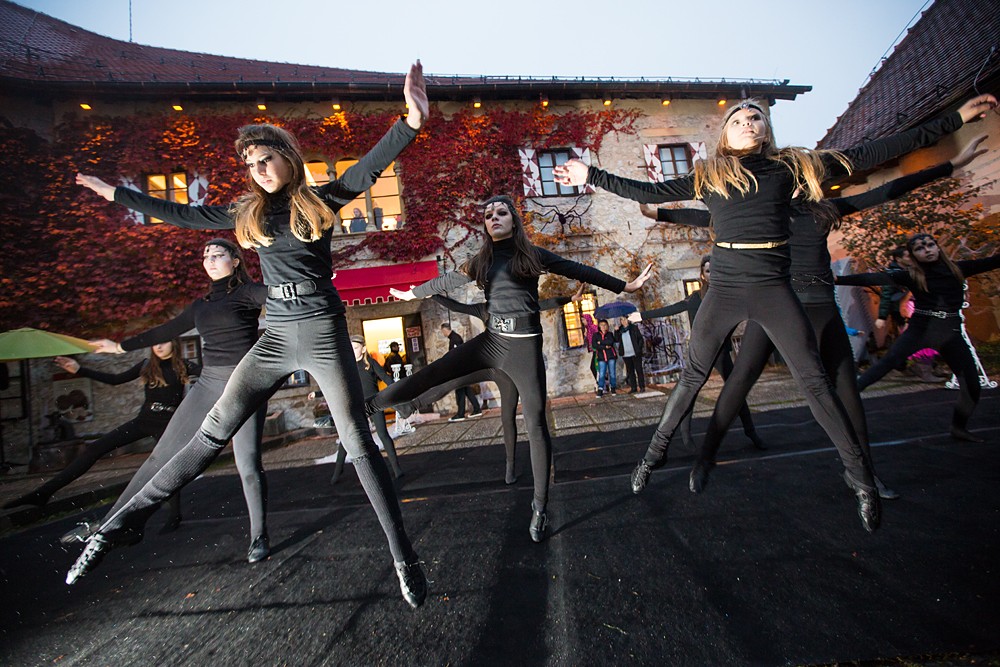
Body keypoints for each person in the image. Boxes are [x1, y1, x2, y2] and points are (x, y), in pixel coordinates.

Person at [65, 62, 430, 608]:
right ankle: (119, 527)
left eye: (266, 160)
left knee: (358, 441)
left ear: (287, 157)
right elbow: (180, 213)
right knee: (211, 431)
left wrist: (411, 121)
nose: (259, 171)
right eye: (251, 165)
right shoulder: (247, 214)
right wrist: (116, 194)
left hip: (321, 330)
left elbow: (371, 166)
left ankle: (404, 557)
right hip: (275, 334)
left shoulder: (321, 199)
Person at [554, 93, 996, 533]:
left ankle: (862, 479)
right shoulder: (711, 175)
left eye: (756, 117)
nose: (748, 121)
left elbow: (871, 155)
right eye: (738, 119)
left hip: (773, 290)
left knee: (815, 383)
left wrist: (954, 120)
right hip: (726, 289)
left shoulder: (791, 168)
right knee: (693, 375)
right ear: (724, 135)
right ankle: (653, 457)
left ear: (767, 130)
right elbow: (649, 191)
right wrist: (590, 174)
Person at [651, 136, 988, 499]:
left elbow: (886, 191)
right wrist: (659, 213)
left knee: (847, 394)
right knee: (739, 381)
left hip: (824, 309)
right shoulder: (765, 211)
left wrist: (949, 166)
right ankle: (705, 459)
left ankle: (865, 474)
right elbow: (702, 217)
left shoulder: (824, 211)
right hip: (781, 306)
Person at [367, 195, 652, 542]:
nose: (494, 217)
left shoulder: (533, 255)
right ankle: (369, 406)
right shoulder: (481, 261)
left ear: (513, 220)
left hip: (523, 349)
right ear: (485, 225)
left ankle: (540, 507)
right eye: (488, 215)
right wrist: (412, 293)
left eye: (501, 212)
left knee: (536, 424)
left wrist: (625, 286)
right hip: (492, 340)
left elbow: (579, 270)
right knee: (435, 371)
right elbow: (446, 282)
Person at [56, 238, 272, 563]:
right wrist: (119, 347)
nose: (210, 260)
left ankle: (259, 536)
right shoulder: (200, 306)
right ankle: (111, 523)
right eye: (206, 256)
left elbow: (280, 294)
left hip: (245, 384)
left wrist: (310, 283)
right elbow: (164, 330)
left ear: (236, 261)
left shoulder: (247, 293)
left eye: (218, 255)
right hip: (209, 384)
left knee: (248, 463)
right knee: (160, 456)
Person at [837, 232, 1000, 443]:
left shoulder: (958, 269)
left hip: (950, 334)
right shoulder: (912, 275)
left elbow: (992, 261)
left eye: (930, 245)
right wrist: (838, 279)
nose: (927, 250)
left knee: (972, 385)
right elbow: (875, 278)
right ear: (913, 255)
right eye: (920, 248)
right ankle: (842, 402)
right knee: (888, 363)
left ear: (937, 247)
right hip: (920, 331)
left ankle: (958, 428)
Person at [3, 342, 198, 518]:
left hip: (168, 423)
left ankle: (174, 515)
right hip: (144, 420)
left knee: (166, 465)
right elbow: (114, 379)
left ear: (173, 343)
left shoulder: (184, 366)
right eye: (155, 343)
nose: (159, 346)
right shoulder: (146, 365)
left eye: (164, 342)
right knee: (94, 448)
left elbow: (213, 376)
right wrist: (79, 369)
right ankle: (43, 493)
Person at [628, 254, 765, 451]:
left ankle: (751, 433)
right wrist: (642, 316)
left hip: (721, 351)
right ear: (702, 275)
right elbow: (672, 309)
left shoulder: (727, 297)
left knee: (737, 391)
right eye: (708, 271)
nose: (712, 274)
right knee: (690, 393)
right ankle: (686, 438)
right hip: (701, 352)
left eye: (715, 270)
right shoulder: (696, 298)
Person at [328, 334, 404, 483]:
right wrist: (317, 393)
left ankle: (396, 468)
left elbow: (385, 378)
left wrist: (398, 388)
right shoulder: (347, 365)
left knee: (383, 434)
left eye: (355, 348)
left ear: (363, 349)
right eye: (350, 348)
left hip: (374, 402)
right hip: (356, 404)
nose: (352, 351)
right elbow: (335, 384)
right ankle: (338, 470)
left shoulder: (371, 363)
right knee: (346, 437)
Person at [440, 322, 482, 422]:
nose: (443, 333)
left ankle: (460, 413)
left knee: (460, 391)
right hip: (461, 369)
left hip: (459, 369)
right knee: (466, 390)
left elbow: (458, 355)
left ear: (445, 330)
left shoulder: (455, 339)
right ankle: (477, 409)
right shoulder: (454, 338)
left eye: (442, 331)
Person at [616, 315, 645, 393]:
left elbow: (640, 339)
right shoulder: (620, 330)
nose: (623, 321)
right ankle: (633, 387)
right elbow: (616, 339)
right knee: (630, 371)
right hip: (626, 354)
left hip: (635, 353)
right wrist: (616, 331)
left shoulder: (633, 328)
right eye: (622, 320)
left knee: (639, 370)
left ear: (628, 320)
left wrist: (638, 349)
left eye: (625, 319)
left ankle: (642, 386)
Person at [592, 319, 618, 396]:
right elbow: (594, 345)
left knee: (612, 373)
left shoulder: (609, 334)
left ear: (607, 326)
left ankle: (613, 387)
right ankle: (600, 389)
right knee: (602, 373)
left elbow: (611, 342)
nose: (603, 326)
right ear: (599, 326)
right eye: (601, 325)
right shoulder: (596, 335)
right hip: (601, 357)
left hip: (611, 356)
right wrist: (605, 347)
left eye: (605, 325)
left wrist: (600, 342)